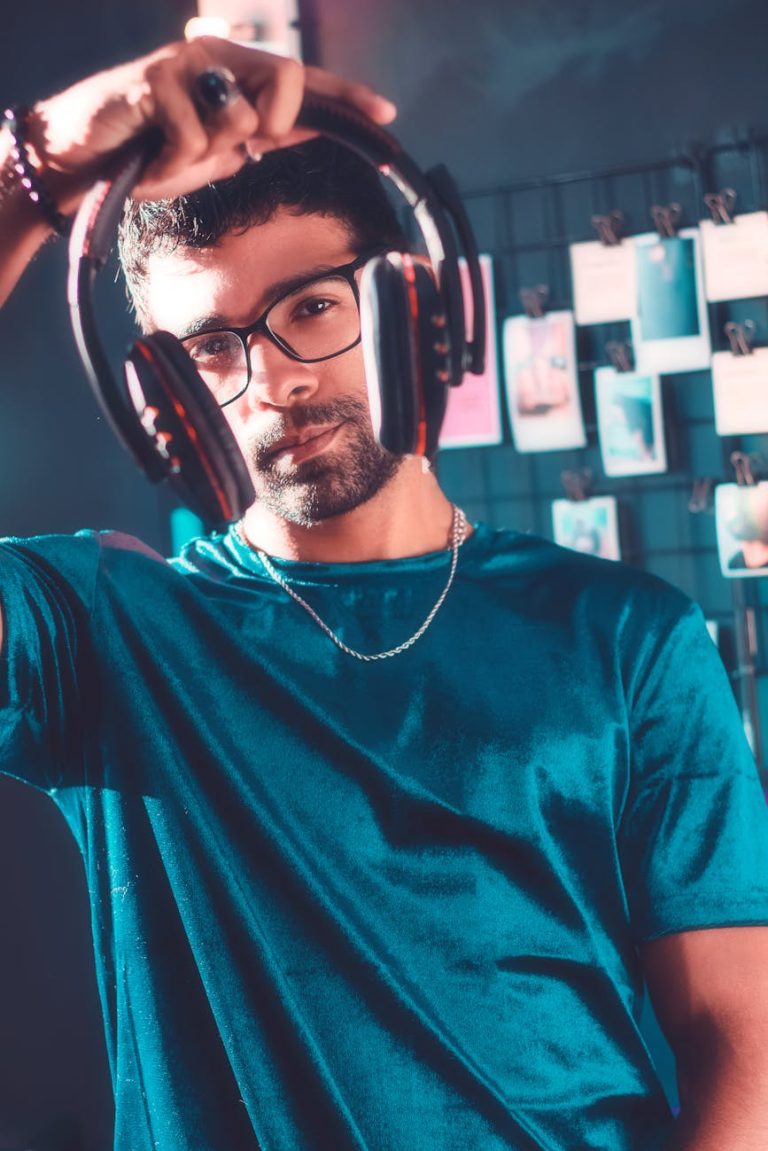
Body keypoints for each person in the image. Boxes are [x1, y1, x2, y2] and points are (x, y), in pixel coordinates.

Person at [2, 34, 768, 1151]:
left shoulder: (627, 636)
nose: (274, 381)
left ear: (418, 307)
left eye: (312, 308)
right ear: (161, 394)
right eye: (210, 350)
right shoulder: (100, 635)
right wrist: (33, 167)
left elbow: (740, 1040)